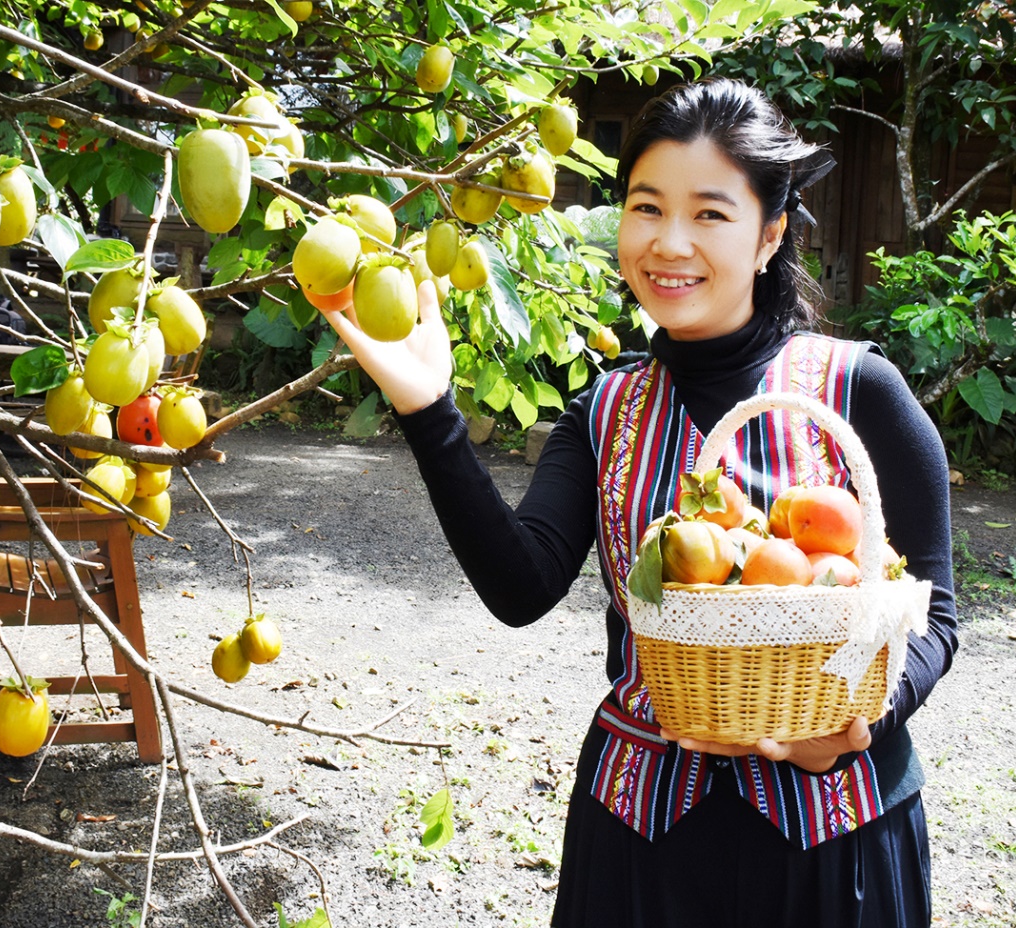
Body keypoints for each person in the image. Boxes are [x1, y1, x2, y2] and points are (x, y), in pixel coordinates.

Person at [326, 77, 957, 927]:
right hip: (643, 839)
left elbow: (936, 619)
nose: (668, 242)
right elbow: (520, 589)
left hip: (831, 839)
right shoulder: (607, 409)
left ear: (769, 234)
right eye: (645, 206)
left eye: (709, 214)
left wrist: (856, 722)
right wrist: (426, 407)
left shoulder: (856, 390)